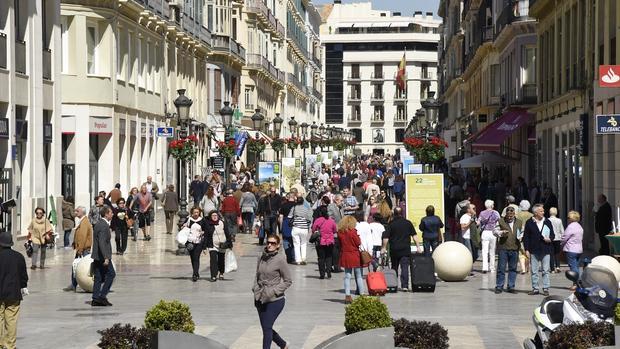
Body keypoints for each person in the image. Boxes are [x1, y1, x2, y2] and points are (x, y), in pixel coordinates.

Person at [252, 234, 292, 349]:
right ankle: (283, 344)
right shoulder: (261, 257)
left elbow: (288, 281)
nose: (270, 245)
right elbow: (257, 275)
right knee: (266, 328)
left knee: (267, 326)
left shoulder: (280, 260)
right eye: (268, 242)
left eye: (273, 243)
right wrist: (255, 288)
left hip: (275, 299)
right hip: (260, 297)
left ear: (278, 245)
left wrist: (274, 291)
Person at [0, 230, 28, 349]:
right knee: (11, 320)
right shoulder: (19, 256)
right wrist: (23, 285)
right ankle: (10, 345)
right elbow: (23, 275)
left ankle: (0, 344)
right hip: (14, 293)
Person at [382, 207, 420, 292]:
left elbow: (386, 237)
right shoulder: (408, 223)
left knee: (394, 268)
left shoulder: (391, 224)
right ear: (402, 213)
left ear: (394, 214)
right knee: (405, 267)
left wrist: (384, 248)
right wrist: (418, 247)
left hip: (394, 249)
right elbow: (414, 236)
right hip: (405, 249)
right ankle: (405, 286)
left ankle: (393, 285)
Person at [523, 204, 555, 296]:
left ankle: (546, 288)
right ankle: (535, 288)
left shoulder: (547, 222)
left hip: (545, 249)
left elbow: (552, 235)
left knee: (545, 270)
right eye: (541, 211)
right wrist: (526, 249)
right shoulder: (530, 222)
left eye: (543, 211)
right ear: (535, 212)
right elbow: (526, 237)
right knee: (534, 271)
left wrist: (550, 239)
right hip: (534, 249)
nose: (543, 212)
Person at [91, 206, 116, 306]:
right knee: (111, 274)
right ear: (106, 214)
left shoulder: (99, 223)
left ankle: (95, 298)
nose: (112, 214)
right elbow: (101, 242)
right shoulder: (103, 225)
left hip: (97, 255)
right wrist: (106, 257)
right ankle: (102, 296)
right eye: (111, 213)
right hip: (102, 256)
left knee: (98, 276)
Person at [63, 206, 92, 292]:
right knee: (76, 266)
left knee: (81, 267)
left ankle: (79, 284)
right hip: (81, 248)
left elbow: (82, 237)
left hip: (83, 249)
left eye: (77, 211)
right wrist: (74, 243)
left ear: (82, 212)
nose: (75, 212)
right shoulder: (82, 221)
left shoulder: (84, 222)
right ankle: (74, 283)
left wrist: (80, 249)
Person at [495, 206, 522, 294]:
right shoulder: (500, 221)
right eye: (508, 215)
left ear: (514, 214)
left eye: (511, 215)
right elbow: (495, 231)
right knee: (501, 268)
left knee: (513, 268)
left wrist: (521, 237)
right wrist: (501, 233)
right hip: (503, 248)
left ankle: (511, 286)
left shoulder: (519, 222)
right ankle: (499, 286)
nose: (509, 217)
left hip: (515, 248)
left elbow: (521, 232)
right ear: (505, 214)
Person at [338, 216, 364, 303]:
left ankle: (347, 295)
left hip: (345, 254)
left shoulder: (340, 232)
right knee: (359, 276)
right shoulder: (353, 232)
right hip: (354, 255)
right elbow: (358, 242)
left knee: (347, 276)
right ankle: (362, 295)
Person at [204, 210, 232, 282]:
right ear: (210, 217)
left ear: (218, 216)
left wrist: (229, 244)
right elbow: (206, 236)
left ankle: (221, 273)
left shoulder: (222, 223)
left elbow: (227, 233)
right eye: (213, 216)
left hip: (222, 244)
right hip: (212, 245)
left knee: (221, 260)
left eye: (216, 215)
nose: (214, 217)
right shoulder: (208, 224)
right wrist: (204, 247)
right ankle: (213, 275)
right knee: (213, 260)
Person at [312, 206, 337, 279]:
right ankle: (329, 273)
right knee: (329, 257)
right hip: (330, 241)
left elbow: (313, 229)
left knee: (321, 258)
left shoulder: (318, 220)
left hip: (320, 241)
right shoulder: (331, 220)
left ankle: (322, 274)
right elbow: (335, 230)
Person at [562, 211, 583, 290]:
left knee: (573, 267)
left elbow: (565, 237)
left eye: (568, 218)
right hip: (579, 250)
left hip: (571, 249)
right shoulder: (579, 226)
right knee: (576, 267)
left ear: (572, 219)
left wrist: (561, 244)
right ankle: (578, 282)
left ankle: (576, 283)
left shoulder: (571, 226)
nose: (568, 219)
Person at [288, 197, 313, 265]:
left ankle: (298, 260)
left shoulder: (294, 208)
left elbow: (289, 216)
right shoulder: (306, 209)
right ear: (303, 202)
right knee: (304, 243)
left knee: (296, 244)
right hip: (304, 228)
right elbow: (309, 219)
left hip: (295, 227)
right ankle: (303, 259)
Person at [185, 207, 208, 282]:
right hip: (190, 242)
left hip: (199, 242)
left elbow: (206, 230)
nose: (196, 214)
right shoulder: (188, 219)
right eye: (194, 212)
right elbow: (183, 228)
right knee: (192, 258)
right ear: (192, 212)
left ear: (199, 213)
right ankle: (196, 272)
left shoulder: (202, 220)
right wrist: (183, 226)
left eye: (197, 212)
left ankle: (195, 274)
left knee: (196, 257)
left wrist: (203, 232)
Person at [478, 200, 500, 273]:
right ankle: (492, 268)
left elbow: (478, 223)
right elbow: (499, 222)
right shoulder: (496, 213)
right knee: (492, 251)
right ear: (492, 205)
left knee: (484, 251)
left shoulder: (482, 213)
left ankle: (485, 268)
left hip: (485, 232)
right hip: (493, 232)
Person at [279, 193, 297, 263]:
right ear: (294, 197)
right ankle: (293, 257)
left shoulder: (284, 205)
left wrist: (281, 227)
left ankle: (288, 256)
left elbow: (281, 217)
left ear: (288, 197)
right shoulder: (297, 206)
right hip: (294, 223)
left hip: (286, 223)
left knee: (286, 240)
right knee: (294, 241)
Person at [517, 200, 533, 274]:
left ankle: (523, 268)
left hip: (519, 234)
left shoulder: (517, 215)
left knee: (521, 252)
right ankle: (528, 268)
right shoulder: (531, 215)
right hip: (529, 235)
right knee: (528, 251)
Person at [548, 207, 564, 273]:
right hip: (558, 238)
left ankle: (552, 269)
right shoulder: (559, 220)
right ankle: (558, 266)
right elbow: (562, 230)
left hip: (550, 239)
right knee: (557, 253)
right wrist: (562, 239)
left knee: (551, 254)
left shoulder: (547, 220)